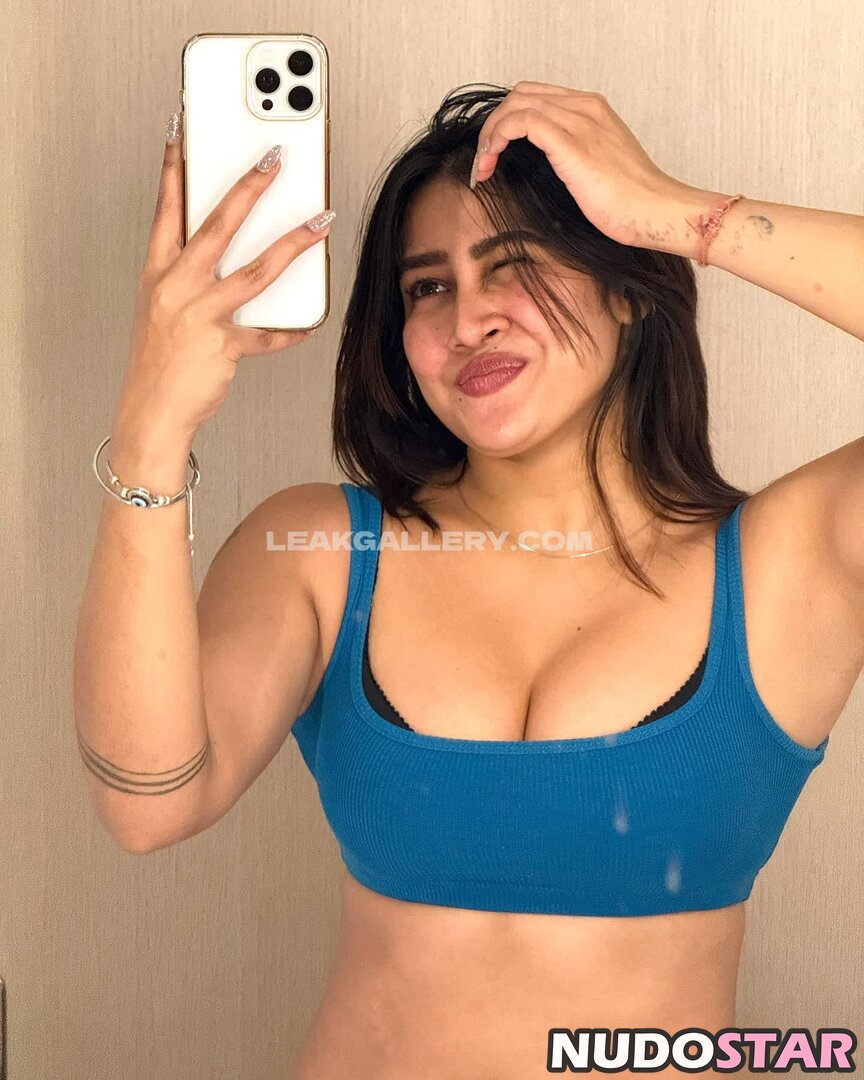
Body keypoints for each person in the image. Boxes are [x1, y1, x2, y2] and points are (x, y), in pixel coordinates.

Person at [73, 83, 864, 1077]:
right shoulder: (323, 549)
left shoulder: (789, 564)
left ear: (627, 284)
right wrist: (151, 427)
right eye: (427, 288)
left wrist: (676, 213)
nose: (469, 319)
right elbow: (147, 807)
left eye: (517, 265)